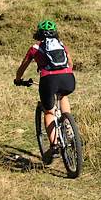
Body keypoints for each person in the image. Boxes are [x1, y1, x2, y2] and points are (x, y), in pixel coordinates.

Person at [14, 20, 76, 156]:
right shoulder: (61, 45)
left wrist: (18, 80)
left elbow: (22, 67)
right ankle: (68, 124)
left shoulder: (35, 48)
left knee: (49, 112)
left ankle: (54, 146)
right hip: (68, 78)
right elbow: (70, 63)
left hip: (48, 81)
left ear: (39, 34)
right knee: (63, 95)